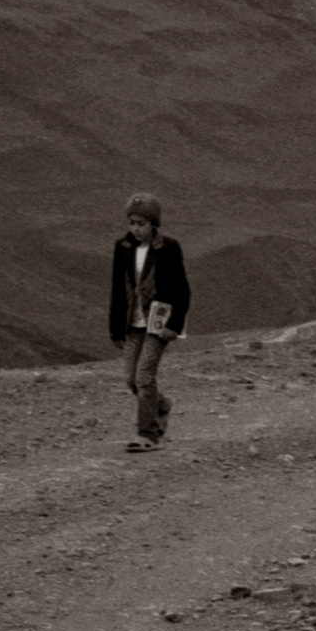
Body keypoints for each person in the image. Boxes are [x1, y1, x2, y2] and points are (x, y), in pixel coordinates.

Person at [108, 192, 190, 451]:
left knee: (144, 377)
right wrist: (116, 329)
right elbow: (118, 289)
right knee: (131, 380)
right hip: (133, 322)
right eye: (132, 223)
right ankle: (161, 406)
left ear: (153, 224)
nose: (136, 228)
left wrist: (174, 325)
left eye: (141, 224)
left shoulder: (168, 248)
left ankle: (148, 436)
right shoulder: (122, 248)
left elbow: (182, 289)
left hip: (158, 322)